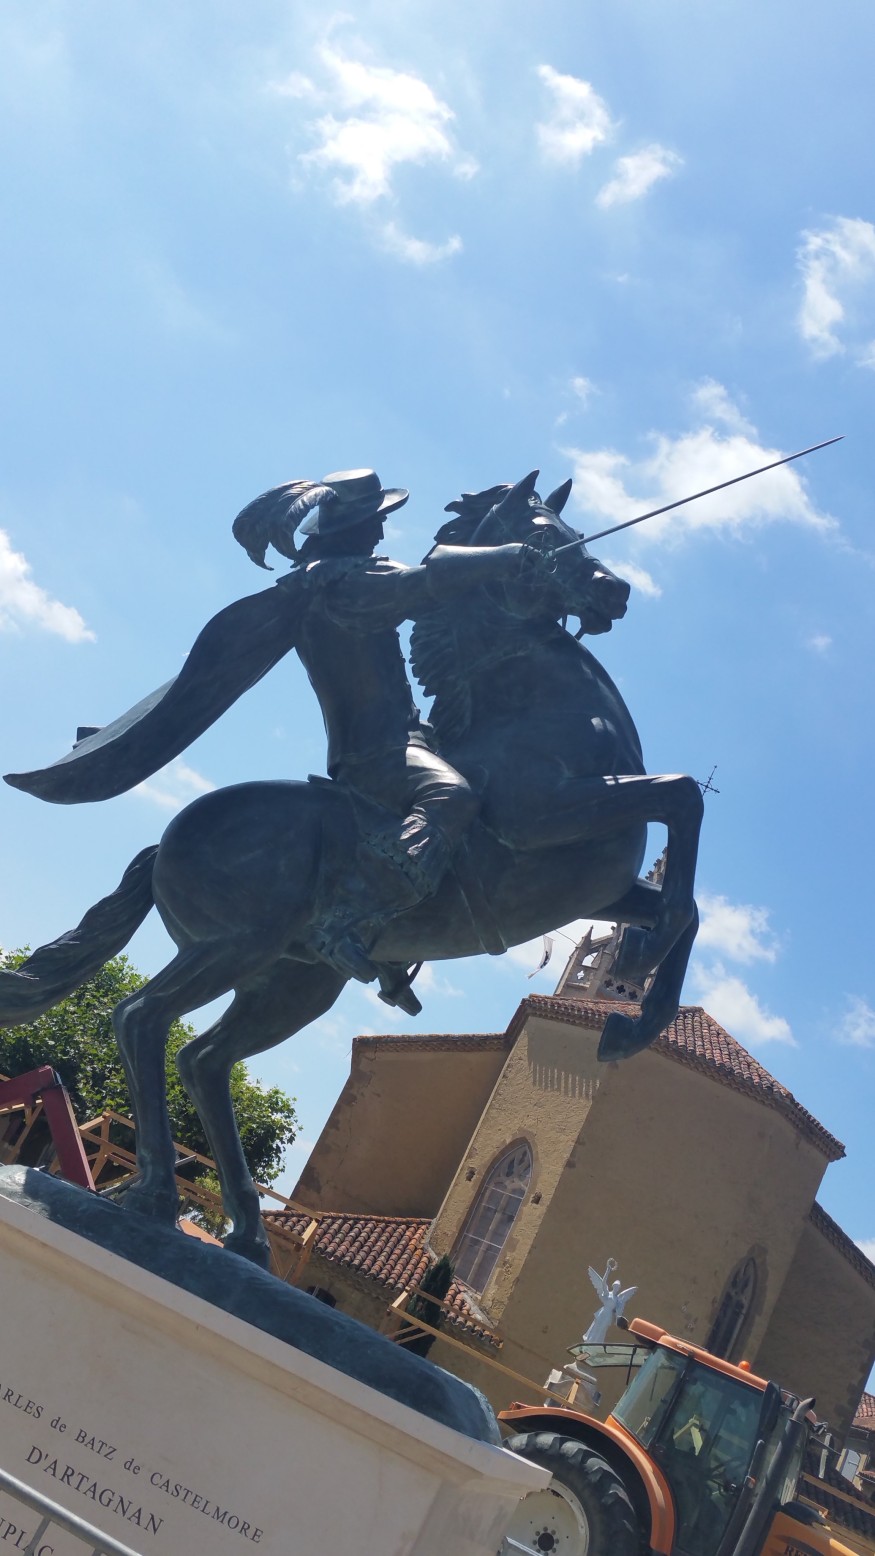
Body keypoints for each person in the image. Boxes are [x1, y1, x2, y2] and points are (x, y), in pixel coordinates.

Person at [233, 468, 520, 1000]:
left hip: (401, 742)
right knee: (452, 797)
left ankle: (396, 946)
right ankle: (347, 918)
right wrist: (509, 555)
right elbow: (422, 584)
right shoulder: (345, 586)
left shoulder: (331, 581)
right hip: (379, 753)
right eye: (376, 520)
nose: (382, 531)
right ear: (349, 527)